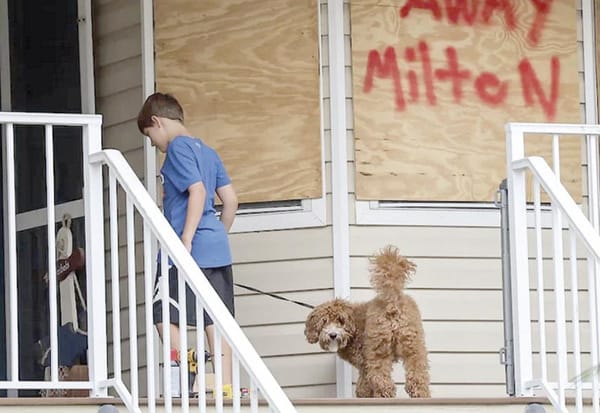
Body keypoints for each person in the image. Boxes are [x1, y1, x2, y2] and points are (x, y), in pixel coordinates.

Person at [137, 92, 239, 398]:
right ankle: (224, 385)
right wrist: (214, 238)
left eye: (150, 136)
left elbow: (196, 191)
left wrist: (186, 240)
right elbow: (231, 201)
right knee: (215, 320)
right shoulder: (208, 152)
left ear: (157, 122)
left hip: (185, 250)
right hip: (216, 248)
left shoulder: (178, 149)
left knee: (163, 314)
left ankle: (188, 370)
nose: (154, 144)